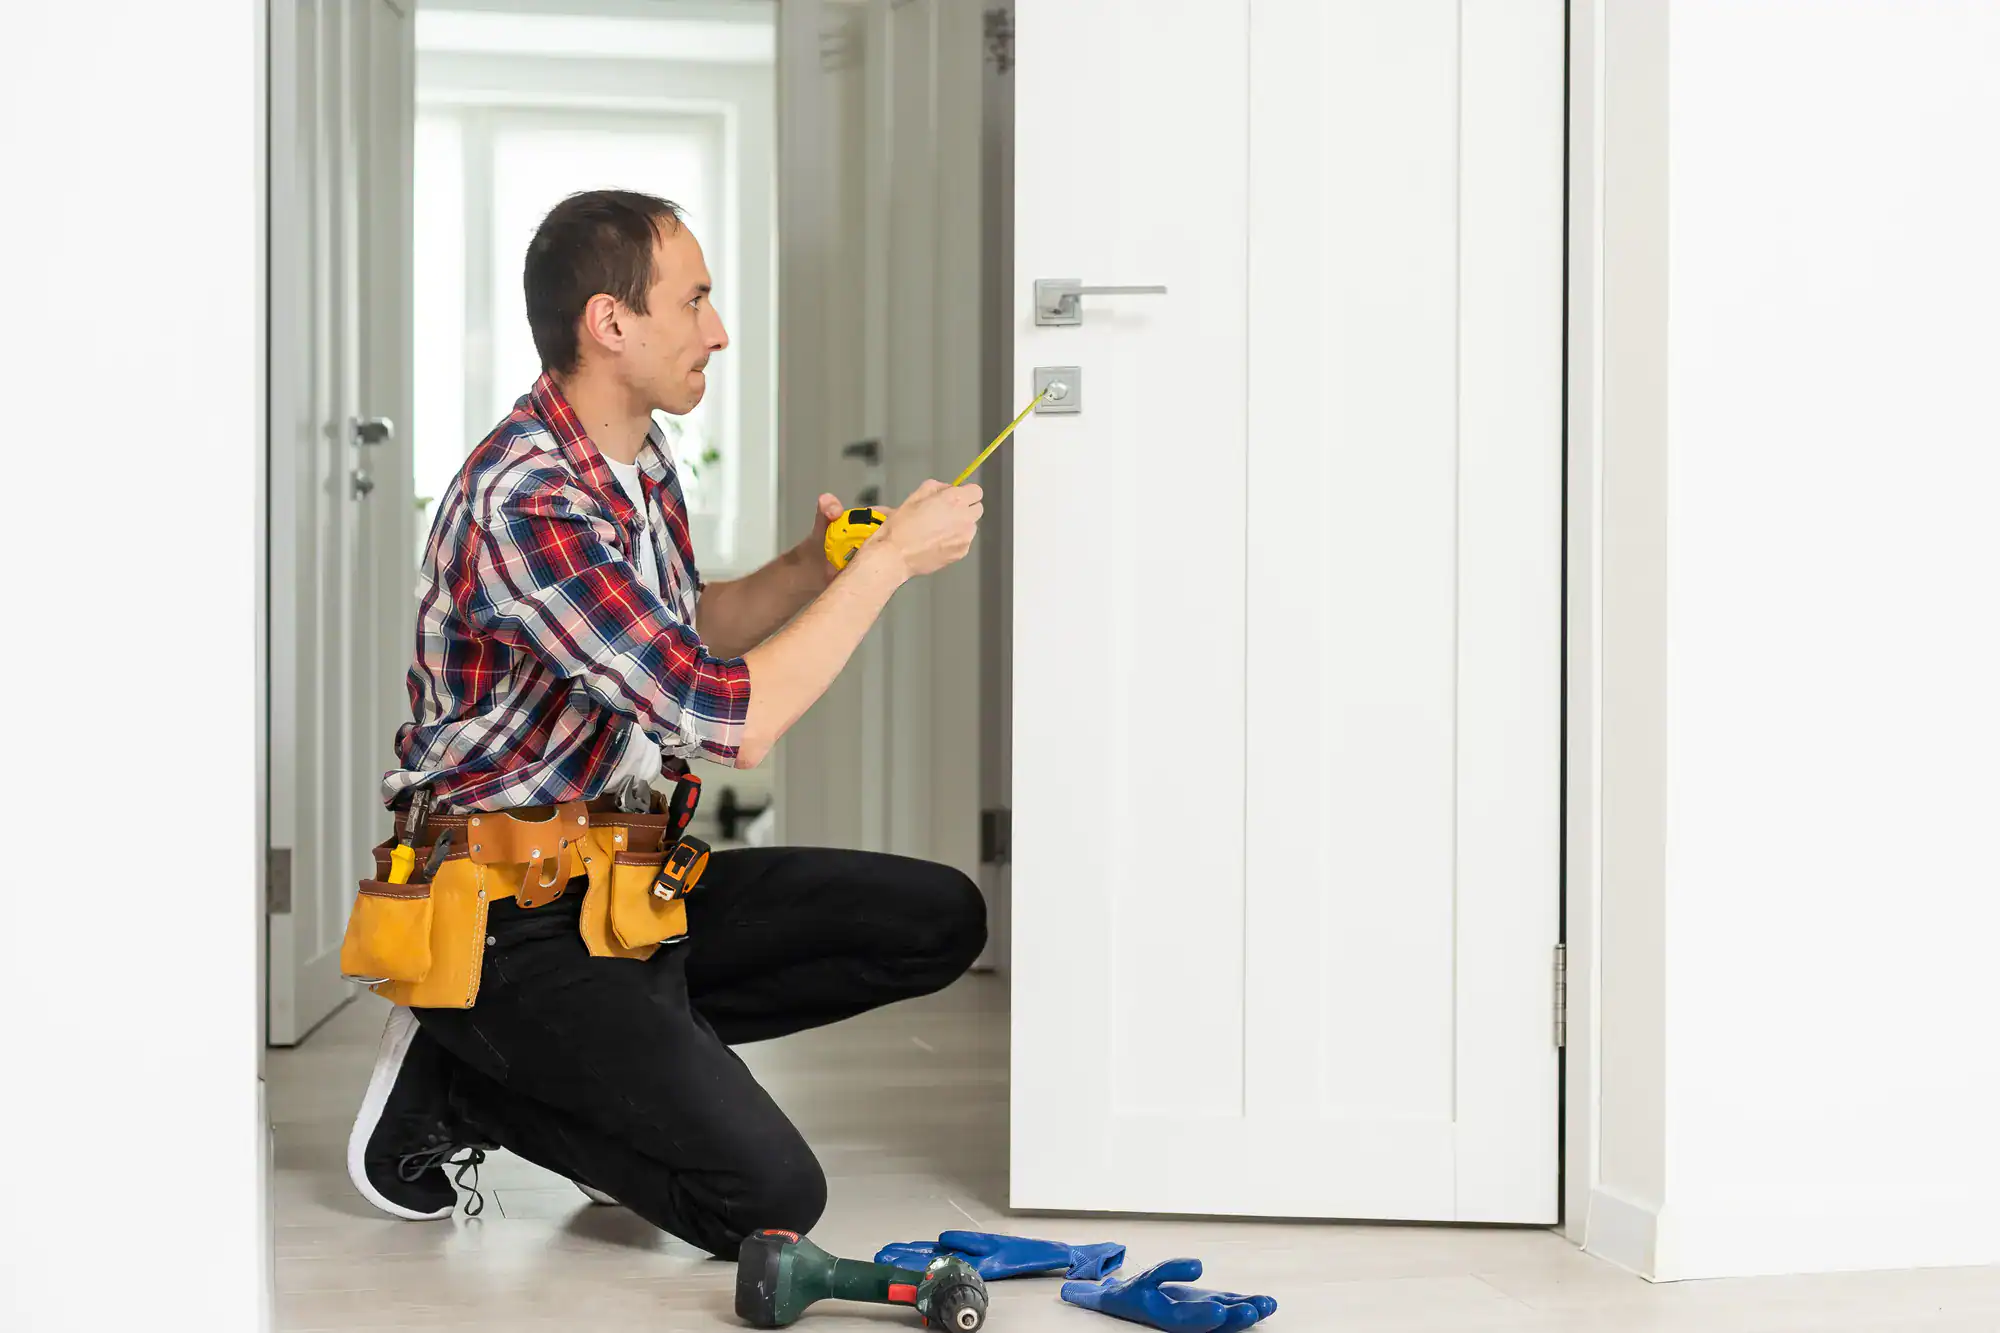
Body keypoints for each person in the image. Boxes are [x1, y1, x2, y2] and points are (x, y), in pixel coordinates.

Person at [344, 189, 988, 1259]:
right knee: (769, 1196)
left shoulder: (636, 463)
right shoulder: (528, 501)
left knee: (938, 918)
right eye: (693, 301)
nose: (717, 330)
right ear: (610, 323)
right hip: (504, 925)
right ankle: (464, 1084)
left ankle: (611, 1064)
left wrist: (812, 564)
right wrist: (884, 567)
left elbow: (677, 634)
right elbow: (731, 721)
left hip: (621, 890)